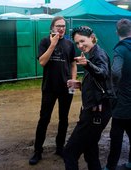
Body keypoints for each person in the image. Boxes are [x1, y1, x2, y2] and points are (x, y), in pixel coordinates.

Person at [63, 26, 114, 170]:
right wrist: (79, 84)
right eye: (77, 43)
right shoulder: (92, 53)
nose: (80, 45)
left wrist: (88, 64)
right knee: (90, 151)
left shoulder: (98, 54)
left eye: (82, 41)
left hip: (95, 112)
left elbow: (103, 73)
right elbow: (99, 82)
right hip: (94, 110)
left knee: (69, 152)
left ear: (92, 37)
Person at [29, 16, 77, 165]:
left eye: (63, 26)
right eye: (58, 26)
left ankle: (60, 147)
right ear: (52, 27)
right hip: (49, 88)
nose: (61, 28)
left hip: (65, 88)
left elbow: (73, 64)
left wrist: (73, 80)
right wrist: (53, 44)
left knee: (64, 119)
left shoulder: (69, 44)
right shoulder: (44, 41)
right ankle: (38, 151)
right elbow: (42, 62)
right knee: (44, 119)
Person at [104, 19, 131, 170]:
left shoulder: (120, 49)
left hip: (122, 102)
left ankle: (110, 166)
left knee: (116, 137)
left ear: (116, 32)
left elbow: (115, 71)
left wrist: (113, 88)